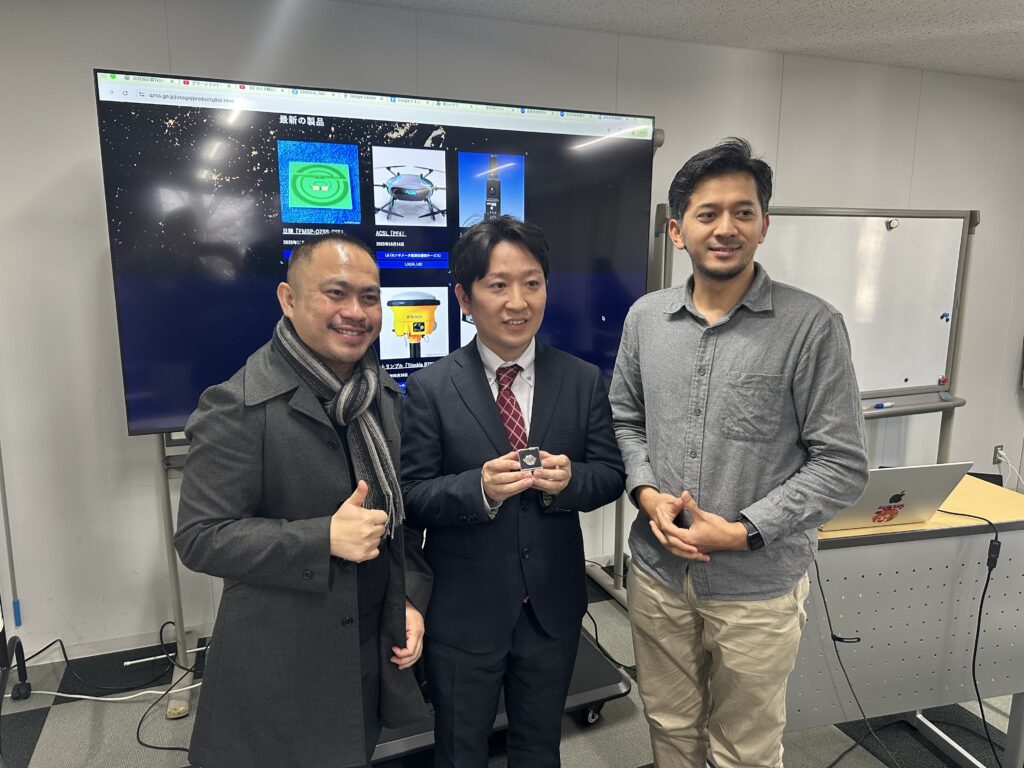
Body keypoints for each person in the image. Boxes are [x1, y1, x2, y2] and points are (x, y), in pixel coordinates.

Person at [609, 138, 868, 768]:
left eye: (742, 212)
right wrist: (646, 493)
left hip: (757, 586)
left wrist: (744, 531)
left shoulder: (811, 326)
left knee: (745, 748)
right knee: (669, 726)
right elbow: (625, 418)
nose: (726, 228)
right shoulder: (645, 318)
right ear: (677, 230)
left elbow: (842, 464)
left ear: (764, 225)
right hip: (658, 575)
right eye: (707, 213)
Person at [174, 234, 431, 768]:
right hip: (282, 665)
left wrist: (409, 599)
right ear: (288, 300)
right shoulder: (238, 405)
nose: (355, 312)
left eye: (369, 297)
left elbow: (396, 518)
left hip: (366, 646)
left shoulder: (379, 396)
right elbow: (200, 538)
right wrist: (322, 538)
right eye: (336, 293)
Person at [401, 215, 625, 767]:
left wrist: (569, 482)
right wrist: (477, 489)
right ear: (464, 297)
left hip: (552, 606)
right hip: (464, 609)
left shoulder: (580, 379)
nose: (518, 302)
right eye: (498, 285)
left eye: (532, 283)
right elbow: (411, 495)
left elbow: (610, 473)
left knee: (539, 747)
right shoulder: (430, 388)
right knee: (460, 750)